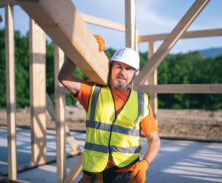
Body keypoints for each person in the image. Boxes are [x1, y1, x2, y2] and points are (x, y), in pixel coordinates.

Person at [58, 35, 160, 183]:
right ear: (111, 67)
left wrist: (145, 164)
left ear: (134, 74)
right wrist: (79, 49)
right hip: (94, 174)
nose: (123, 72)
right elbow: (64, 78)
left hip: (125, 173)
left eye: (129, 69)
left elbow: (154, 139)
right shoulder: (93, 92)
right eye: (119, 66)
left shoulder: (141, 101)